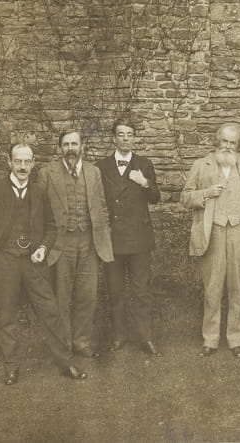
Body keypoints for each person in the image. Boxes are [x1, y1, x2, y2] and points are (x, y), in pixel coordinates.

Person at [0, 143, 87, 385]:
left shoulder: (40, 191)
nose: (22, 166)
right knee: (7, 316)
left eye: (26, 162)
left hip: (33, 263)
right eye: (17, 161)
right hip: (5, 262)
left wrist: (42, 248)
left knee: (50, 312)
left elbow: (51, 227)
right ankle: (11, 368)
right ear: (9, 162)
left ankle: (66, 363)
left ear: (32, 163)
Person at [181, 123, 240, 358]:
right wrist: (206, 193)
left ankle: (236, 339)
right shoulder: (201, 165)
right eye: (224, 142)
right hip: (213, 232)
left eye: (232, 143)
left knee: (237, 288)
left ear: (238, 145)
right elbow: (185, 198)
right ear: (217, 142)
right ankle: (210, 339)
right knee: (213, 288)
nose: (227, 147)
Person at [37, 130, 114, 358]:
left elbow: (102, 206)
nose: (70, 148)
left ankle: (82, 342)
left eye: (74, 144)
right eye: (66, 144)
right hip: (61, 243)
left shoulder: (94, 172)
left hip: (90, 242)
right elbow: (38, 212)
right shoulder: (46, 173)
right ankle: (63, 343)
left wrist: (104, 234)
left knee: (87, 295)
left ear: (83, 147)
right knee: (61, 296)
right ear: (60, 148)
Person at [96, 118, 162, 356]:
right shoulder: (101, 166)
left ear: (134, 138)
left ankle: (145, 337)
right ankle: (120, 335)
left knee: (141, 290)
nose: (125, 138)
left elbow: (156, 197)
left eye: (129, 134)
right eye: (121, 134)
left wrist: (144, 182)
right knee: (115, 291)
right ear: (114, 138)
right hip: (112, 238)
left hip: (138, 237)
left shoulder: (144, 164)